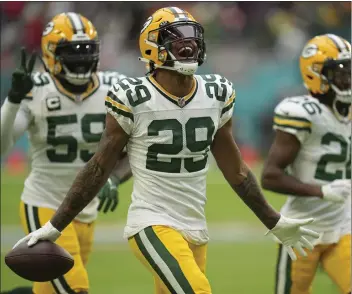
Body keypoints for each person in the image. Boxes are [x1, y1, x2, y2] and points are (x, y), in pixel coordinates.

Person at [14, 7, 320, 294]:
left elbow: (237, 171)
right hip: (151, 223)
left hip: (195, 224)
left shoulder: (217, 93)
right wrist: (55, 226)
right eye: (177, 41)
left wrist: (274, 221)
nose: (188, 47)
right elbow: (99, 166)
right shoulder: (134, 96)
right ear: (152, 48)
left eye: (192, 39)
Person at [1, 12, 131, 294]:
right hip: (44, 204)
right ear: (51, 55)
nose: (82, 59)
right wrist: (12, 101)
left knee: (50, 291)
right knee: (75, 289)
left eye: (87, 51)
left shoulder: (114, 87)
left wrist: (113, 178)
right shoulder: (36, 89)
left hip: (86, 208)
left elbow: (135, 146)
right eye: (73, 52)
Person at [261, 34, 351, 294]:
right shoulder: (301, 113)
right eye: (340, 73)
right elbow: (270, 176)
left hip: (343, 226)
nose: (348, 78)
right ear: (316, 75)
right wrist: (321, 191)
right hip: (303, 231)